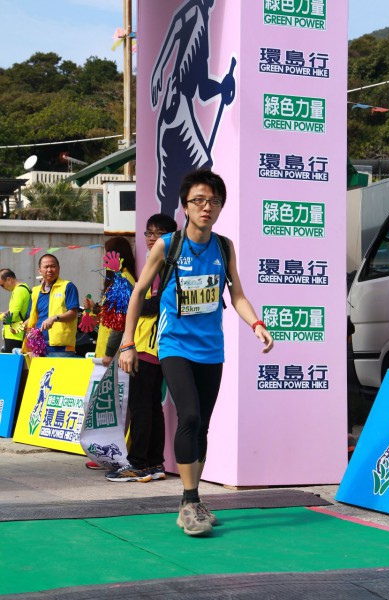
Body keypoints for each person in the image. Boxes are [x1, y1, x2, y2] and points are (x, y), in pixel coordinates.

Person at [118, 169, 273, 536]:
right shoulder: (167, 245)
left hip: (211, 350)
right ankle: (188, 502)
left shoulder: (224, 247)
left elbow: (236, 294)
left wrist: (256, 323)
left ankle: (194, 499)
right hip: (174, 345)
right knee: (188, 415)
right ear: (185, 206)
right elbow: (138, 292)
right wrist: (127, 342)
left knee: (201, 423)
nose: (207, 207)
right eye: (199, 200)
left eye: (214, 201)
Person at [106, 213, 177, 482]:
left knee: (141, 407)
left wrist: (130, 303)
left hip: (148, 346)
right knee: (151, 406)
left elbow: (159, 304)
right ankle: (155, 463)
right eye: (149, 233)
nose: (151, 238)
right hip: (154, 346)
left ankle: (138, 464)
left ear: (171, 237)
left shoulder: (163, 265)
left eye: (158, 233)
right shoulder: (157, 262)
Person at [150, 0, 236, 217]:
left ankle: (179, 228)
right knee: (201, 167)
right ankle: (187, 228)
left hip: (179, 105)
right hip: (177, 103)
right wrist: (159, 69)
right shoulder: (196, 11)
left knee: (173, 184)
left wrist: (222, 87)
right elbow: (177, 25)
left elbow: (203, 89)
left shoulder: (202, 21)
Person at [84, 236, 136, 471]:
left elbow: (120, 323)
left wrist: (109, 352)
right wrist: (95, 309)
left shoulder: (123, 281)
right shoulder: (118, 280)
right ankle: (110, 452)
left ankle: (115, 453)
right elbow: (112, 316)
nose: (104, 259)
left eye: (107, 254)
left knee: (117, 408)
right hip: (111, 352)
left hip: (115, 354)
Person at [23, 254, 79, 357]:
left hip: (61, 348)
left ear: (59, 268)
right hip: (38, 346)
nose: (49, 270)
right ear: (40, 270)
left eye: (53, 266)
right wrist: (19, 327)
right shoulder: (35, 291)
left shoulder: (68, 286)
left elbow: (73, 314)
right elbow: (32, 318)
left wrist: (55, 318)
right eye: (46, 267)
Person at [0, 268, 31, 353]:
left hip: (14, 335)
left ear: (9, 279)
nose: (3, 288)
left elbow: (12, 316)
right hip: (17, 333)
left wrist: (1, 316)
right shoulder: (24, 288)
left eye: (2, 285)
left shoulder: (19, 291)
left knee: (10, 361)